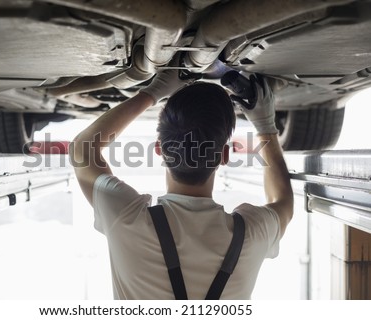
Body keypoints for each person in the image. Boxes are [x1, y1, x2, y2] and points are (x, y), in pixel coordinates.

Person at [71, 67, 294, 299]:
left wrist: (153, 93)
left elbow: (82, 150)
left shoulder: (127, 218)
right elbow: (283, 203)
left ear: (158, 149)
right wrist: (266, 126)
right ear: (224, 156)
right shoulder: (127, 219)